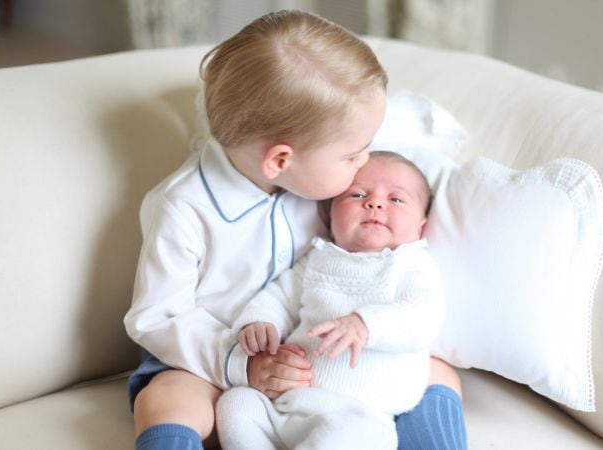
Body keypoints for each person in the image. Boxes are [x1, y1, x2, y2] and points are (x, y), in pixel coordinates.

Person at [124, 9, 467, 450]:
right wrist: (241, 366)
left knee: (437, 374)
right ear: (281, 160)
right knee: (167, 400)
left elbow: (381, 141)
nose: (364, 163)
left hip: (321, 363)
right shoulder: (183, 207)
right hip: (208, 364)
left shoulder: (321, 176)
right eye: (353, 155)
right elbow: (156, 316)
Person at [216, 151, 443, 450]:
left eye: (396, 199)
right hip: (287, 405)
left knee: (350, 437)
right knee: (237, 403)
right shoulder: (317, 259)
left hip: (360, 416)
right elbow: (279, 296)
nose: (374, 204)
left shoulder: (412, 264)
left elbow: (423, 317)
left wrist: (366, 324)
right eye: (357, 194)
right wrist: (260, 322)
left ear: (421, 228)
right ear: (330, 214)